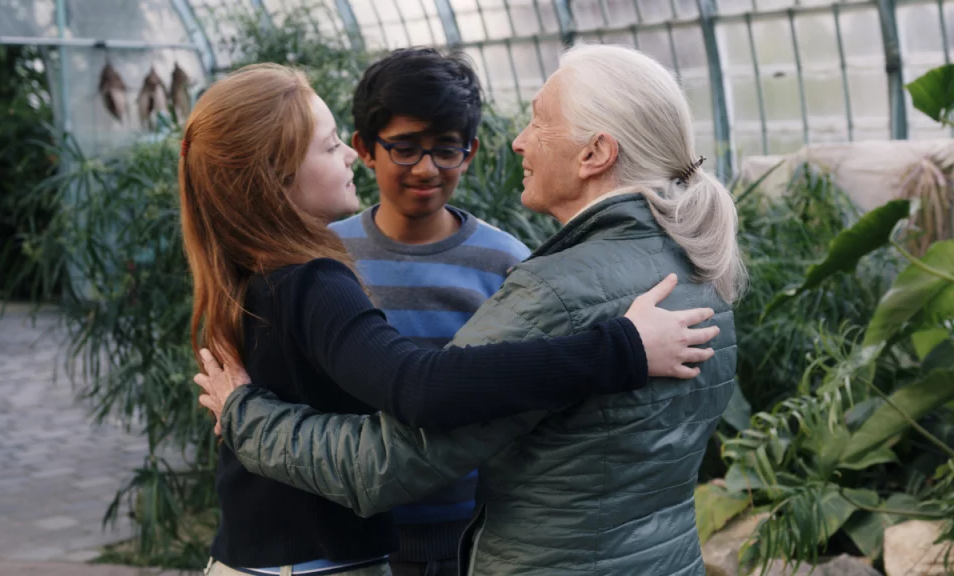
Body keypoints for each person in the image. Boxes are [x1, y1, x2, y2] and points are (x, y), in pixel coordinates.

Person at [197, 43, 744, 576]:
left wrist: (246, 416)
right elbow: (422, 387)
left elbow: (403, 425)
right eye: (402, 147)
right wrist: (621, 347)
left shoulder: (543, 285)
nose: (519, 142)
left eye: (538, 121)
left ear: (594, 153)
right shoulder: (698, 270)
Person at [330, 47, 524, 576]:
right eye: (405, 148)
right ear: (365, 149)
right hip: (351, 531)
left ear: (470, 151)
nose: (426, 168)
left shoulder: (507, 263)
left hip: (474, 535)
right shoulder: (324, 256)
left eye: (445, 149)